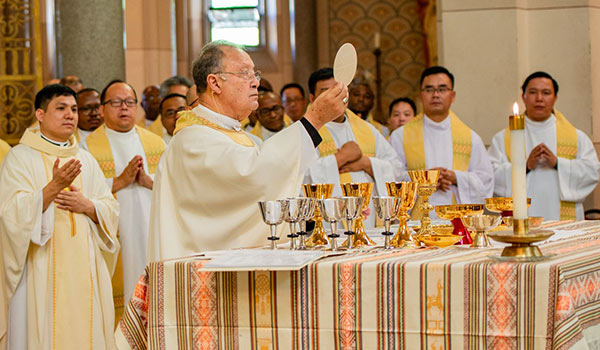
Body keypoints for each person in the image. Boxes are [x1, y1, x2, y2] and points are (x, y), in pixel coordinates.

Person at [146, 41, 347, 261]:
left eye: (256, 74)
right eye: (245, 74)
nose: (255, 83)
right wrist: (314, 120)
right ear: (214, 83)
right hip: (204, 280)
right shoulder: (192, 141)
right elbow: (252, 175)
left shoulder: (234, 135)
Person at [0, 84, 119, 349]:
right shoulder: (20, 158)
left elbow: (109, 207)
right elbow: (8, 215)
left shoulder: (85, 160)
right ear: (40, 115)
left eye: (74, 110)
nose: (71, 115)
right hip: (38, 268)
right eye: (61, 108)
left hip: (84, 265)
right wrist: (53, 187)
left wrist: (88, 206)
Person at [84, 80, 165, 315]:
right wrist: (119, 182)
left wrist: (148, 181)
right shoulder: (86, 147)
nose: (124, 108)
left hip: (150, 232)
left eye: (130, 102)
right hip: (113, 238)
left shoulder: (156, 143)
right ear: (101, 109)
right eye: (116, 102)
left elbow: (177, 187)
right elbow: (81, 192)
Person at [488, 71, 599, 220]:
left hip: (563, 218)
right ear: (523, 97)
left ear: (555, 98)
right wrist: (525, 166)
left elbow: (592, 172)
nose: (539, 99)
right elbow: (490, 176)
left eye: (546, 93)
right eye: (533, 92)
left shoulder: (578, 138)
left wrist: (558, 164)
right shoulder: (503, 138)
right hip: (522, 218)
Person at [304, 68, 402, 227]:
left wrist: (366, 164)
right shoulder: (305, 131)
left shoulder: (368, 130)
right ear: (312, 98)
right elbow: (297, 177)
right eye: (325, 92)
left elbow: (396, 169)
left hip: (371, 224)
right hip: (330, 226)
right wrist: (339, 159)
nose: (333, 98)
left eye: (337, 91)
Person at [389, 66, 494, 212]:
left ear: (453, 95)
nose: (436, 95)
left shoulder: (471, 138)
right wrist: (424, 180)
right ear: (420, 96)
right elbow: (391, 177)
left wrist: (455, 177)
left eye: (442, 89)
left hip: (457, 221)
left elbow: (486, 180)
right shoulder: (400, 136)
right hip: (415, 223)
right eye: (429, 89)